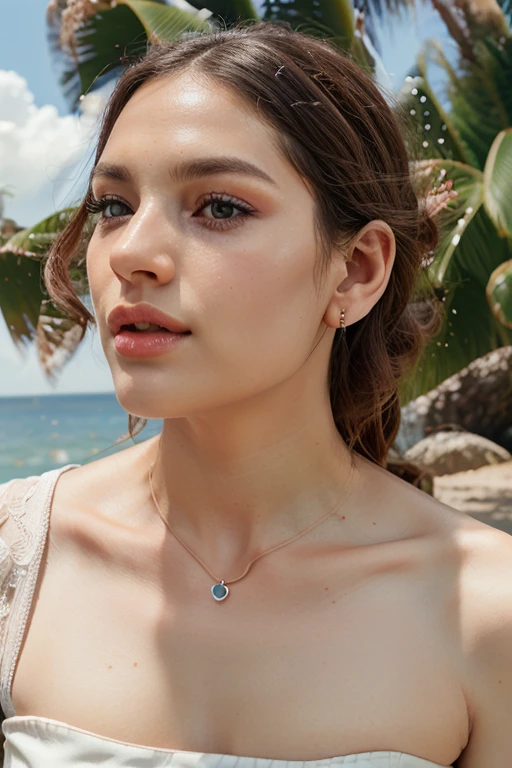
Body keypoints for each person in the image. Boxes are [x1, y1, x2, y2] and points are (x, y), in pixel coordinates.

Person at [0, 21, 510, 768]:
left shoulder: (486, 609)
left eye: (221, 207)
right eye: (113, 205)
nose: (133, 253)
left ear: (357, 272)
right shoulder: (20, 560)